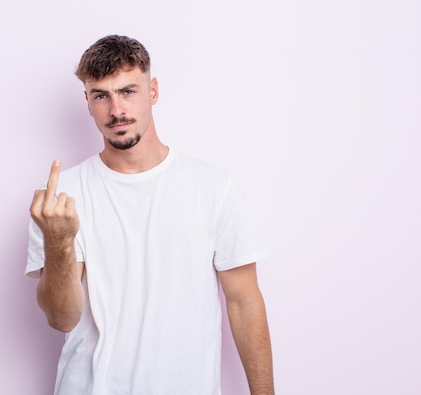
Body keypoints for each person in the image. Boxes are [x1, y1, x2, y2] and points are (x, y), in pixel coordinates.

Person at [26, 34, 274, 395]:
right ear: (88, 102)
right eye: (101, 96)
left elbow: (244, 302)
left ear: (153, 91)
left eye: (128, 91)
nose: (116, 111)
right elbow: (61, 319)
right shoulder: (62, 197)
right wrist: (58, 240)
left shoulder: (213, 187)